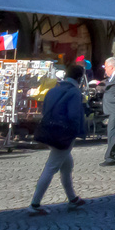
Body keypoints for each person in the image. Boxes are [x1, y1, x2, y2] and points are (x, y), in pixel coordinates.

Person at [28, 63, 88, 215]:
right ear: (79, 78)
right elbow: (74, 116)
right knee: (52, 167)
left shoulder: (53, 90)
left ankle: (72, 198)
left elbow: (45, 110)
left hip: (50, 131)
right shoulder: (74, 93)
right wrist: (78, 130)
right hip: (64, 134)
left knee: (67, 165)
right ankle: (35, 203)